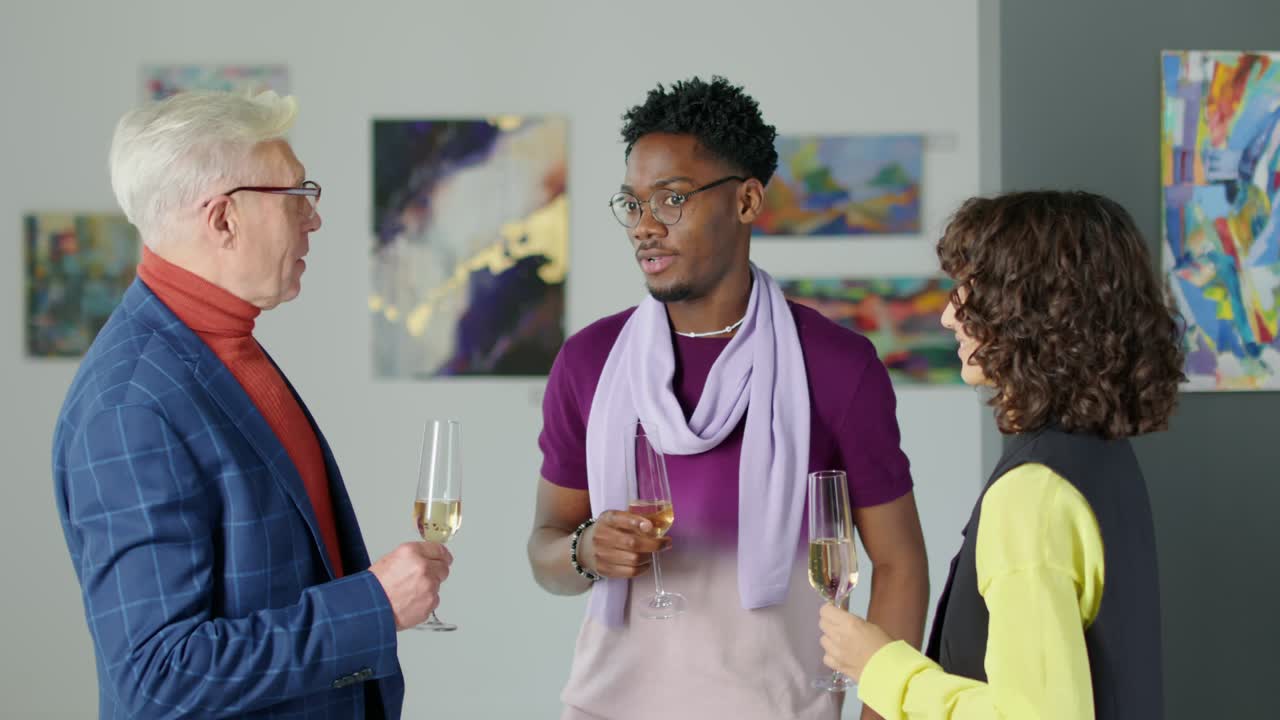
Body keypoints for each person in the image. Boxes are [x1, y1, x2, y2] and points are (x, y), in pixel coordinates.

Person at [527, 76, 929, 720]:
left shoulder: (836, 366)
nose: (646, 227)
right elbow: (546, 549)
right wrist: (583, 550)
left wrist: (879, 715)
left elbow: (900, 562)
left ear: (746, 201)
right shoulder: (590, 361)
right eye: (633, 204)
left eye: (672, 198)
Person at [52, 90, 451, 719]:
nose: (314, 219)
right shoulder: (131, 405)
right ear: (222, 219)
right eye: (296, 196)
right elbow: (159, 674)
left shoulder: (221, 349)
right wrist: (372, 606)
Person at [817, 191, 1185, 719]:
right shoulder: (1102, 459)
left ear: (1037, 307)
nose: (948, 315)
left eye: (971, 289)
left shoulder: (1031, 494)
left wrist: (881, 667)